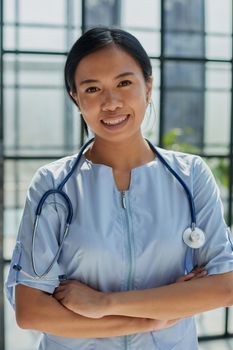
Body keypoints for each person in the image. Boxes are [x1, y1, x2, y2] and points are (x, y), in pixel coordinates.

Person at [5, 26, 233, 350]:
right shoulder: (52, 185)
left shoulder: (191, 175)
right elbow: (31, 311)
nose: (111, 103)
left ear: (148, 86)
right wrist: (154, 316)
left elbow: (224, 287)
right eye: (93, 89)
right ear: (76, 97)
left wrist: (104, 303)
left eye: (124, 83)